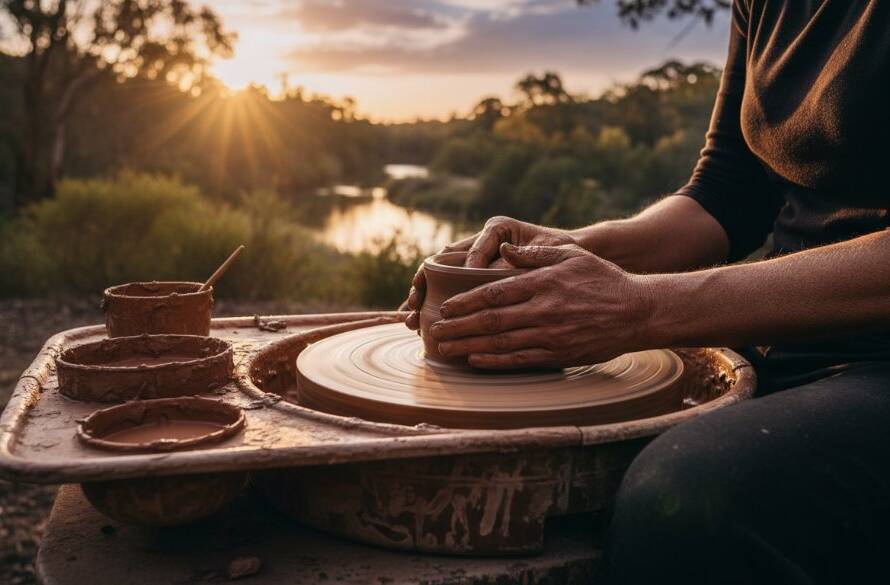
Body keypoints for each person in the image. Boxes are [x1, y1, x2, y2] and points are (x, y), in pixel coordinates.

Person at [404, 2, 890, 583]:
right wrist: (572, 253)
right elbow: (728, 190)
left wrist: (642, 306)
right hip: (775, 335)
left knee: (686, 496)